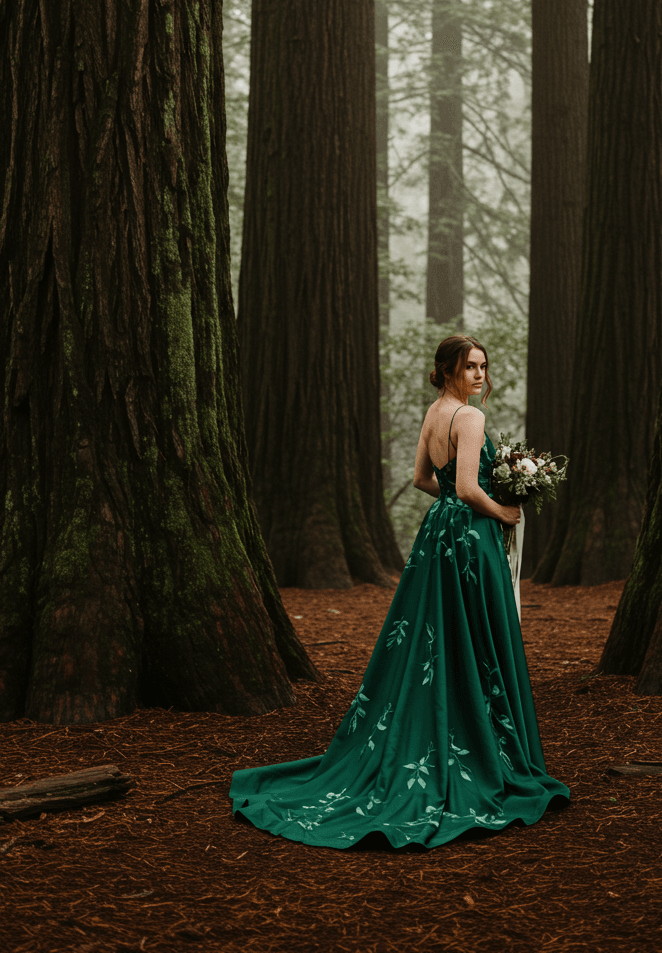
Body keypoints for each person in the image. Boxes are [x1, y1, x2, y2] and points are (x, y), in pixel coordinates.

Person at [230, 334, 570, 849]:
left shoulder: (436, 413)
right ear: (448, 370)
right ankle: (478, 743)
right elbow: (469, 488)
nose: (480, 375)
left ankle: (444, 725)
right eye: (470, 367)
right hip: (471, 540)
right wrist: (501, 511)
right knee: (474, 635)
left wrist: (453, 502)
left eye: (483, 366)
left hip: (439, 534)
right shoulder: (470, 418)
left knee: (440, 633)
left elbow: (422, 480)